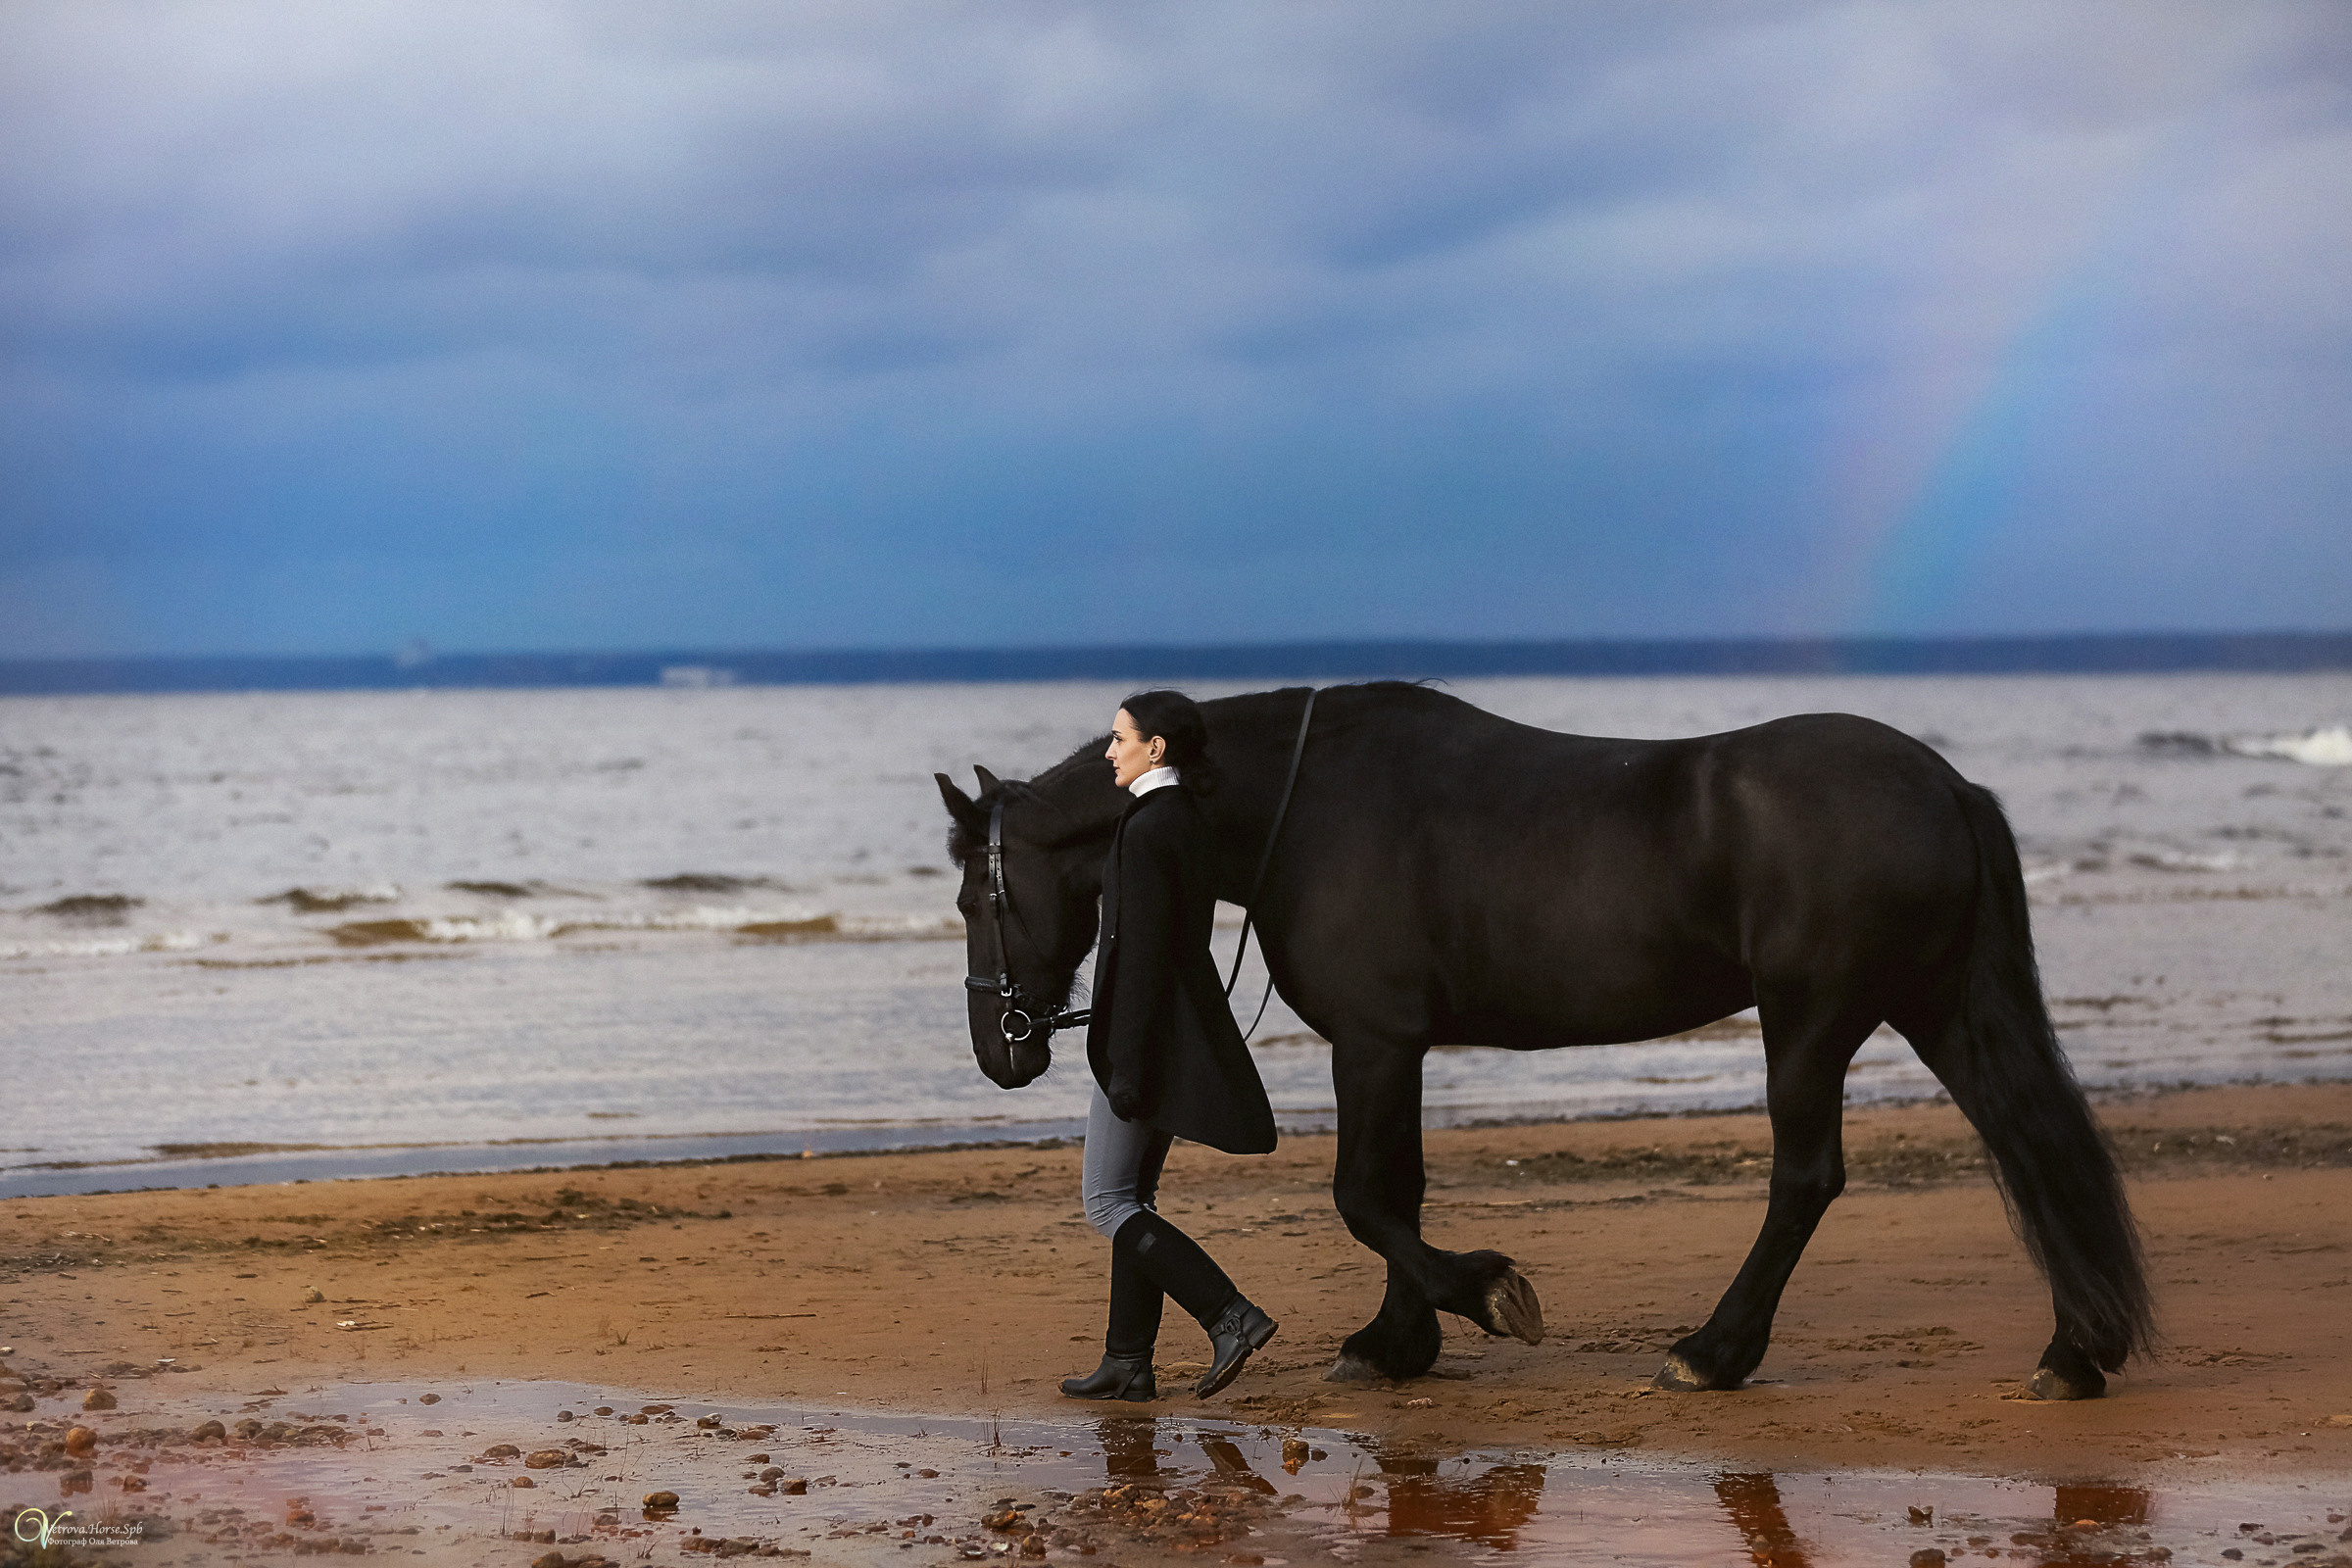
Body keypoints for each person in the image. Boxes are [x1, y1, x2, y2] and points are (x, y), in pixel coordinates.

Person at [1061, 689, 1281, 1403]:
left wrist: (1125, 1058)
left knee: (1107, 1204)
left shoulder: (1153, 824)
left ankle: (1230, 1315)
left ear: (1156, 748)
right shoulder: (1178, 817)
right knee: (1135, 1197)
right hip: (1162, 1030)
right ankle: (1128, 1360)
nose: (1108, 750)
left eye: (1120, 737)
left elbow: (1147, 955)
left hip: (1143, 1039)